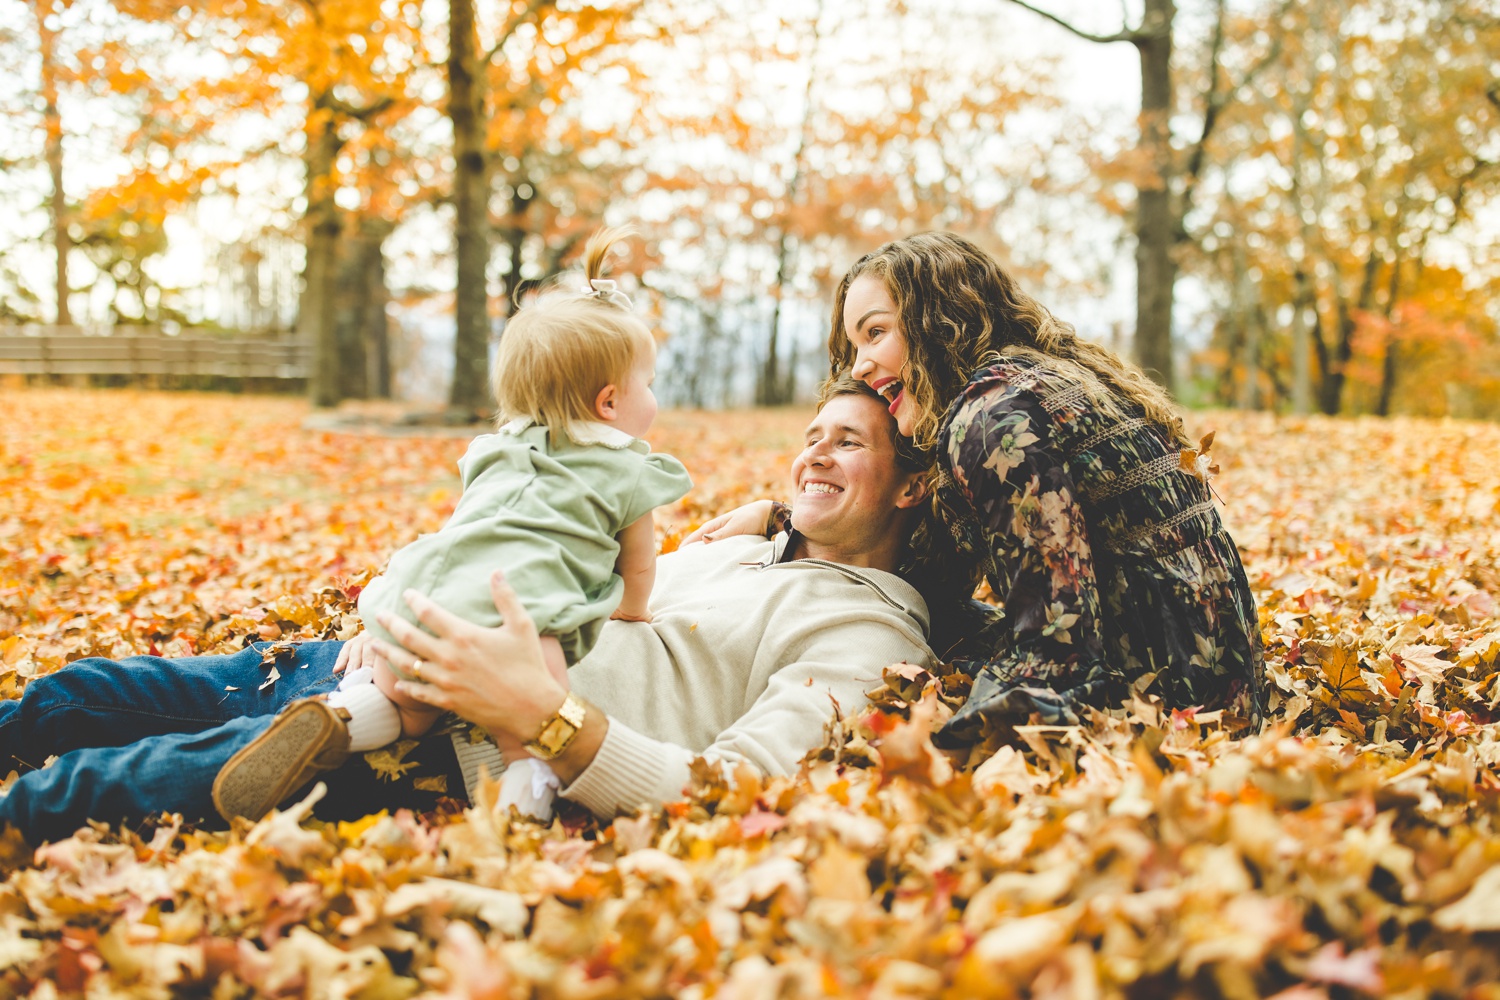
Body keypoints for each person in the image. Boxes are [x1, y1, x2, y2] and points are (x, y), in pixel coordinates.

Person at [0, 382, 933, 843]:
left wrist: (544, 717)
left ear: (912, 490)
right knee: (68, 699)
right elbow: (530, 552)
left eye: (848, 442)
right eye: (810, 436)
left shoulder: (871, 632)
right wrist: (391, 611)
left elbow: (735, 791)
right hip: (370, 660)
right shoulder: (738, 543)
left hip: (449, 742)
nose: (813, 455)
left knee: (92, 791)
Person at [692, 232, 1266, 744]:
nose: (863, 364)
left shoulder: (989, 421)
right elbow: (950, 555)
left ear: (940, 321)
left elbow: (1058, 645)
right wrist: (783, 519)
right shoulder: (1030, 383)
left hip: (1174, 709)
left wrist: (952, 740)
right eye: (855, 344)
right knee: (927, 613)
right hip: (1223, 680)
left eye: (877, 333)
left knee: (915, 669)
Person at [254, 226, 692, 822]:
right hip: (518, 614)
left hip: (424, 592)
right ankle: (525, 787)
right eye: (651, 383)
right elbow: (638, 566)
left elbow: (478, 523)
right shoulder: (627, 472)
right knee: (534, 699)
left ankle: (361, 713)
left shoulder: (495, 448)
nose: (653, 396)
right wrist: (632, 610)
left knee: (408, 692)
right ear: (610, 402)